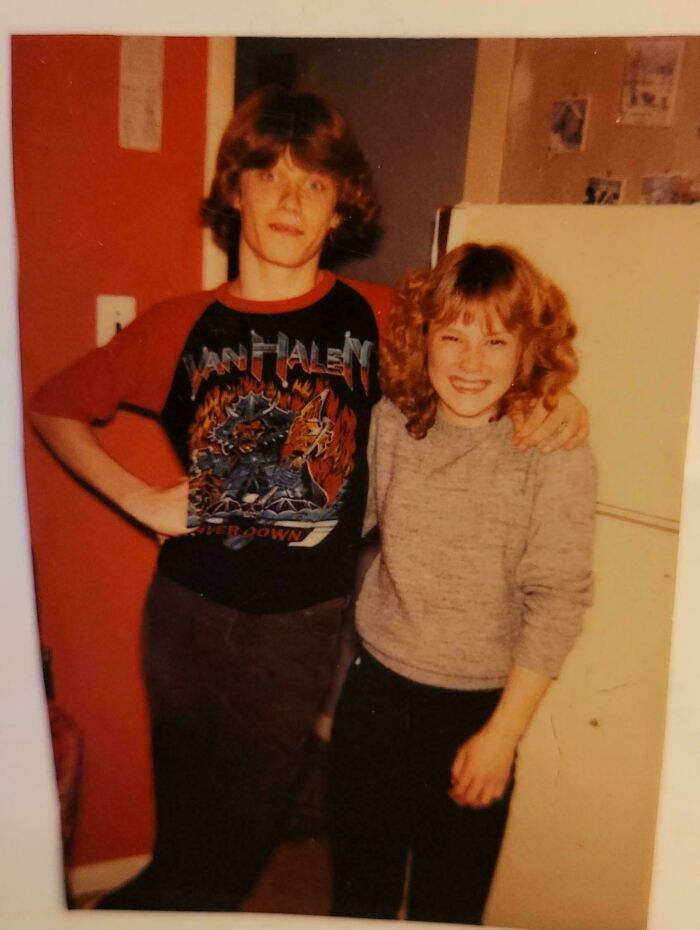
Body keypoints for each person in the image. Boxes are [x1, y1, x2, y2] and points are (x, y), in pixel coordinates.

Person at [28, 87, 589, 912]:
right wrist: (138, 499)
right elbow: (52, 406)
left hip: (298, 631)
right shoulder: (177, 324)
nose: (291, 202)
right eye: (271, 176)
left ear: (341, 204)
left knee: (230, 856)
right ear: (236, 190)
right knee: (193, 849)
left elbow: (481, 349)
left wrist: (553, 400)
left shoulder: (383, 316)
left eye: (315, 183)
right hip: (185, 621)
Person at [329, 242, 597, 926]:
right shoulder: (389, 423)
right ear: (424, 338)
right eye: (452, 336)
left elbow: (558, 600)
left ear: (526, 348)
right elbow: (334, 522)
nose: (471, 362)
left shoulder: (551, 450)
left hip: (477, 715)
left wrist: (502, 736)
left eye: (496, 340)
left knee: (449, 910)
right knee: (356, 902)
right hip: (375, 698)